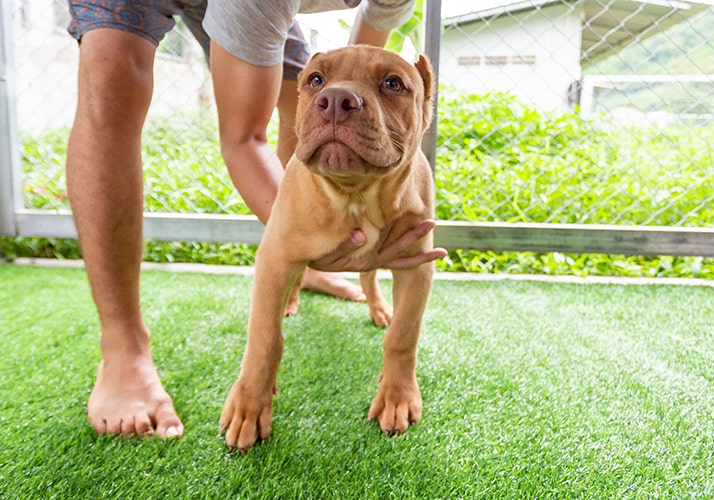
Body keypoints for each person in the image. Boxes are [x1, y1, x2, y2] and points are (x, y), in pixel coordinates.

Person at [65, 0, 447, 439]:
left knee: (301, 89)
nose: (335, 98)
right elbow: (244, 137)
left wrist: (400, 362)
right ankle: (123, 347)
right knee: (110, 75)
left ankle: (310, 258)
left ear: (427, 107)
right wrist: (288, 243)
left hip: (259, 11)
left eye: (395, 85)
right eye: (320, 85)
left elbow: (356, 62)